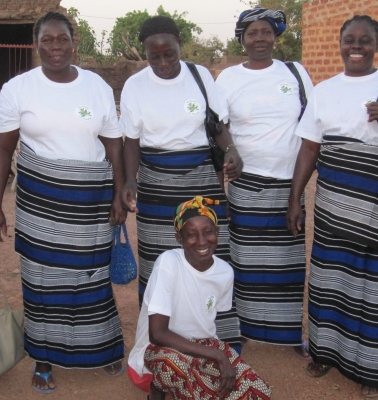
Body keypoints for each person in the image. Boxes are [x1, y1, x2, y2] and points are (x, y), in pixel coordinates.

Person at [286, 15, 378, 398]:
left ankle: (371, 368)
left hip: (376, 206)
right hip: (332, 206)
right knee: (328, 281)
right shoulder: (325, 90)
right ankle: (325, 354)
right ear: (340, 44)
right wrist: (294, 200)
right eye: (349, 40)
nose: (356, 46)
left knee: (375, 286)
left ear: (377, 44)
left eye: (365, 40)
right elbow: (310, 148)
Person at [0, 11, 126, 394]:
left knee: (92, 277)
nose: (55, 47)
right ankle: (44, 359)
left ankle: (102, 348)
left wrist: (119, 192)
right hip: (41, 204)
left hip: (89, 202)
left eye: (62, 39)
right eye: (47, 40)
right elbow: (1, 150)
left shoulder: (96, 86)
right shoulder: (18, 89)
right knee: (41, 281)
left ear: (73, 42)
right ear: (36, 44)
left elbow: (114, 144)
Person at [120, 16, 243, 349]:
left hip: (201, 180)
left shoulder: (200, 76)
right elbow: (131, 142)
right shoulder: (135, 86)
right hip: (156, 184)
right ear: (145, 54)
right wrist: (130, 180)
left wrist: (232, 150)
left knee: (206, 256)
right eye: (154, 57)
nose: (163, 63)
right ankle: (160, 344)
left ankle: (216, 341)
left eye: (169, 54)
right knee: (158, 261)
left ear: (179, 45)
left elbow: (217, 126)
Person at [215, 6, 314, 359]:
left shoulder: (295, 73)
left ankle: (288, 335)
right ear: (241, 39)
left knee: (287, 264)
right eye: (252, 33)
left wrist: (296, 195)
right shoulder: (228, 78)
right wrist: (231, 151)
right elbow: (217, 124)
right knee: (244, 262)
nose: (260, 38)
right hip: (246, 185)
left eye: (266, 32)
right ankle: (240, 331)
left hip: (289, 185)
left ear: (276, 37)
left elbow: (311, 127)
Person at [128, 196, 272, 400]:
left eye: (208, 232)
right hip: (159, 351)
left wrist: (217, 354)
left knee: (259, 392)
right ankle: (157, 392)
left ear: (217, 232)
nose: (202, 241)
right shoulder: (168, 263)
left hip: (204, 347)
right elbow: (157, 334)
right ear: (179, 238)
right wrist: (218, 356)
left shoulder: (225, 272)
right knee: (174, 368)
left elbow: (208, 319)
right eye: (191, 235)